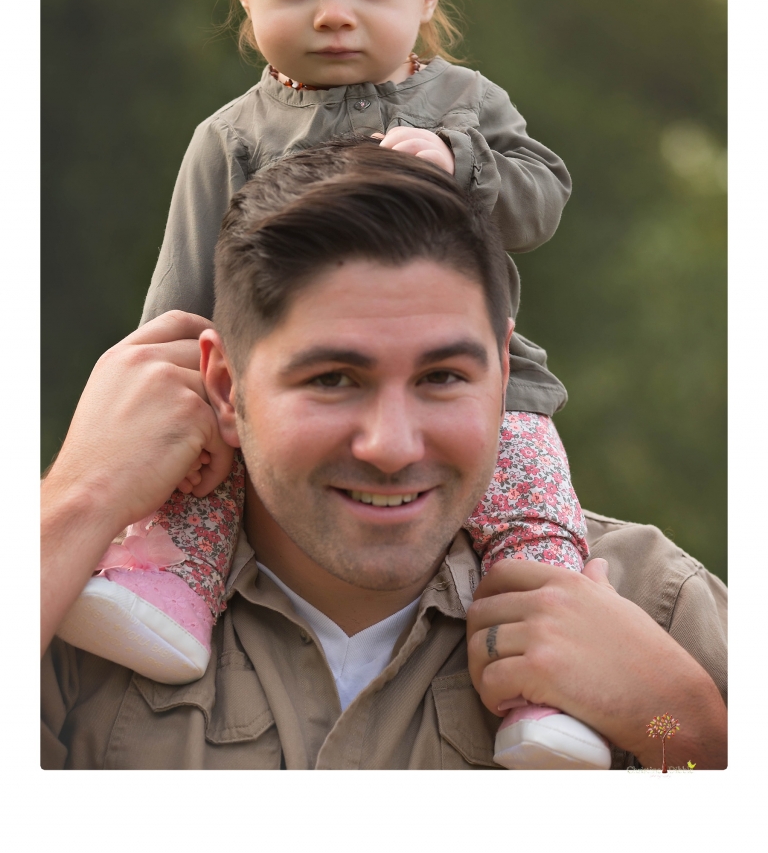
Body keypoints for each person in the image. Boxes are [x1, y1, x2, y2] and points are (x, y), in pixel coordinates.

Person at [59, 0, 598, 767]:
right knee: (200, 485)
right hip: (264, 397)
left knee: (532, 503)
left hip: (482, 384)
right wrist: (169, 407)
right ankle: (166, 590)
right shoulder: (233, 137)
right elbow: (179, 293)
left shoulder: (465, 104)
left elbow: (544, 199)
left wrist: (462, 164)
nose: (335, 14)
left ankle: (547, 684)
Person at [41, 143, 727, 770]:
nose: (393, 446)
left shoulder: (656, 609)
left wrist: (686, 731)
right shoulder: (74, 602)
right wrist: (77, 502)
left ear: (502, 372)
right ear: (226, 386)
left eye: (443, 377)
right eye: (333, 379)